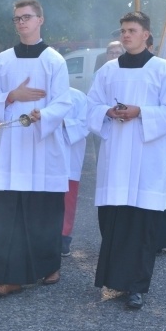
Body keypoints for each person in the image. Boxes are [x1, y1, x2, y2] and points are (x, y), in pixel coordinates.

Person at [86, 11, 166, 310]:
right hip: (115, 155)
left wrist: (140, 112)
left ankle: (136, 287)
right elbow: (90, 105)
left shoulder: (162, 69)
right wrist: (108, 111)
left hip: (146, 156)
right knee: (113, 219)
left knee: (142, 224)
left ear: (146, 35)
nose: (126, 35)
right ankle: (114, 280)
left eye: (132, 30)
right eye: (123, 30)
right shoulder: (108, 70)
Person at [0, 0, 73, 297]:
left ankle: (49, 266)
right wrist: (11, 96)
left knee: (44, 209)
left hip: (42, 144)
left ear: (40, 20)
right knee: (10, 212)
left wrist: (43, 115)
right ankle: (10, 277)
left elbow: (63, 101)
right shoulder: (3, 59)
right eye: (17, 18)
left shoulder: (54, 60)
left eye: (27, 17)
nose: (21, 22)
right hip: (13, 147)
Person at [61, 87, 89, 257]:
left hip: (70, 154)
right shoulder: (41, 94)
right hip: (45, 156)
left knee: (68, 199)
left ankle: (64, 237)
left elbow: (86, 123)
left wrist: (62, 123)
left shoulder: (78, 96)